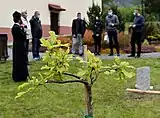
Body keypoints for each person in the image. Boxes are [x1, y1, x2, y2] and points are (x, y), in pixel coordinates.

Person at [11, 11, 29, 82]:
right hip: (20, 46)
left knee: (18, 61)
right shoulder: (17, 27)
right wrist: (23, 30)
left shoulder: (15, 27)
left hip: (17, 46)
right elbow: (23, 36)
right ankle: (20, 76)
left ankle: (20, 76)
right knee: (21, 61)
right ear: (19, 20)